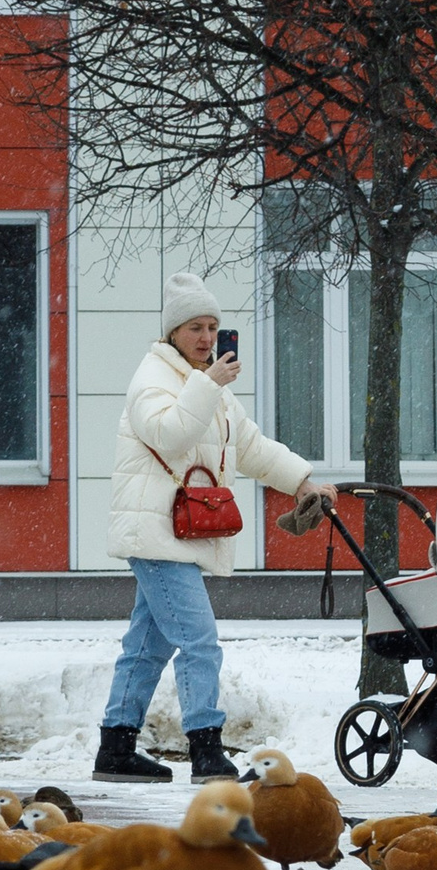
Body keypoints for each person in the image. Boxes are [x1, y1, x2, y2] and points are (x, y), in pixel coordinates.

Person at [94, 274, 336, 784]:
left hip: (176, 535)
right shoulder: (154, 380)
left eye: (213, 327)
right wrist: (208, 384)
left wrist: (302, 480)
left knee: (148, 644)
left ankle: (115, 748)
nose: (207, 338)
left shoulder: (212, 388)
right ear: (172, 332)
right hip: (157, 533)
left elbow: (249, 448)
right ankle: (206, 750)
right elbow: (170, 433)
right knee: (200, 640)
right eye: (195, 328)